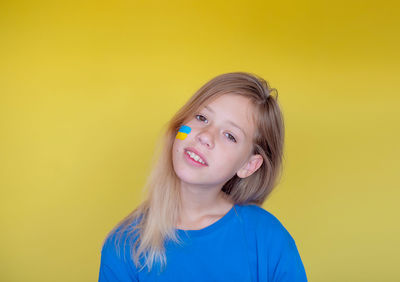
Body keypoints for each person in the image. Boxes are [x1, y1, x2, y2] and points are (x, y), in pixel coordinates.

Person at [98, 72, 308, 281]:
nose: (205, 136)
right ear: (180, 127)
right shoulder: (124, 245)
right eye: (201, 117)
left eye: (230, 136)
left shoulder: (267, 238)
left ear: (249, 165)